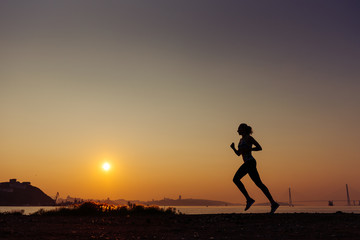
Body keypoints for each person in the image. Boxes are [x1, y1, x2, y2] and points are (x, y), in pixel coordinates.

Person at [230, 123, 279, 213]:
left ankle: (249, 199)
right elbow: (238, 154)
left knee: (236, 179)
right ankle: (273, 203)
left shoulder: (249, 138)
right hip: (248, 163)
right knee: (259, 183)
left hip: (250, 162)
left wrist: (250, 149)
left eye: (239, 129)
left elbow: (259, 148)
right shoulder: (240, 140)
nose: (237, 131)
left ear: (244, 129)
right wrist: (233, 148)